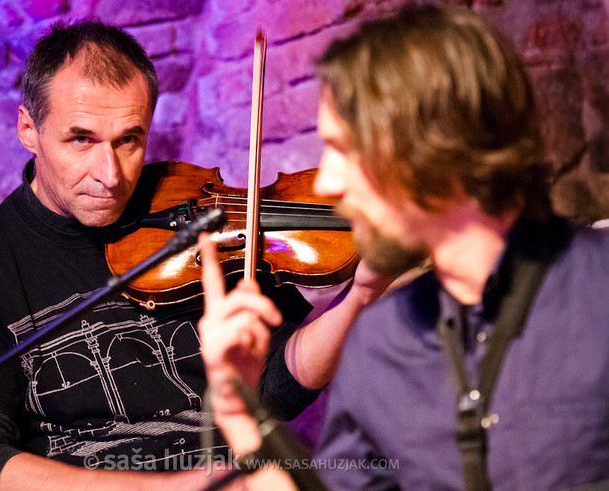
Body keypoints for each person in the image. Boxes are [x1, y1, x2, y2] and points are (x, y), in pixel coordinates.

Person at [0, 20, 384, 490]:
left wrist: (360, 297)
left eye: (128, 140)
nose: (111, 175)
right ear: (28, 129)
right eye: (81, 139)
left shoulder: (189, 209)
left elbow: (272, 388)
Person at [199, 4, 609, 490]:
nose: (327, 181)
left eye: (347, 149)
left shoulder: (597, 291)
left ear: (436, 144)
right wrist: (243, 413)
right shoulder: (378, 344)